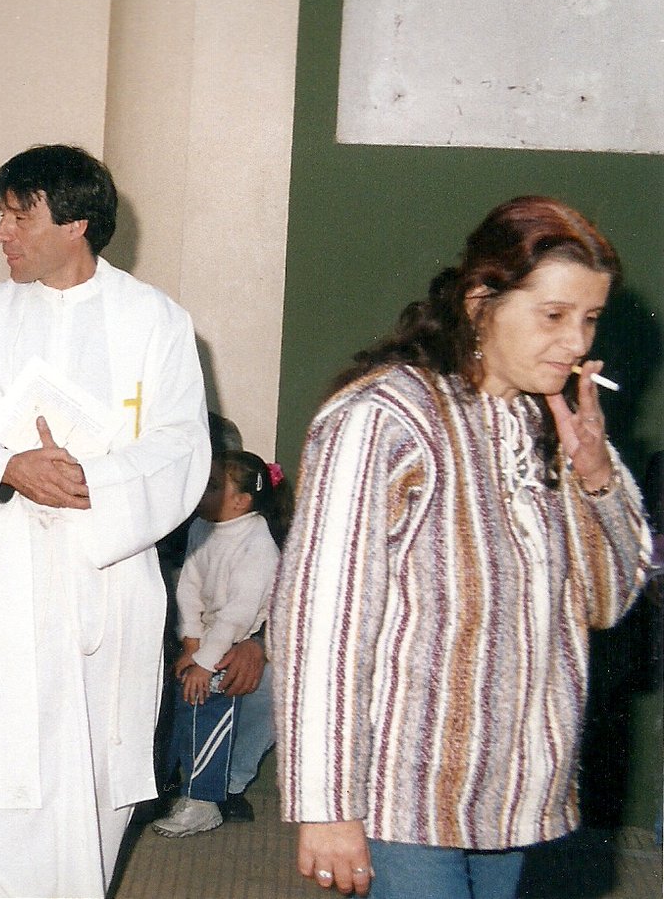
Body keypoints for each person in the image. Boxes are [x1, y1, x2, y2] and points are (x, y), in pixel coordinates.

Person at [272, 195, 651, 898]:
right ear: (482, 302)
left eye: (590, 319)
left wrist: (596, 476)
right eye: (554, 315)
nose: (577, 344)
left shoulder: (553, 422)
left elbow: (607, 602)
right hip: (402, 796)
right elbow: (321, 623)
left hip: (514, 795)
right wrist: (326, 808)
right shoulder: (381, 418)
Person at [0, 144, 210, 898]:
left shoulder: (155, 322)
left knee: (91, 782)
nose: (1, 233)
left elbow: (181, 449)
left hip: (101, 583)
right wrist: (12, 469)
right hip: (6, 576)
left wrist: (83, 479)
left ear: (75, 222)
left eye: (20, 215)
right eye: (2, 215)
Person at [152, 449, 283, 838]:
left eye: (211, 486)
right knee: (180, 702)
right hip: (207, 639)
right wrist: (191, 643)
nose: (200, 492)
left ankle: (205, 799)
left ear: (241, 501)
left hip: (237, 639)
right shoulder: (201, 527)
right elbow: (189, 585)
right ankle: (167, 785)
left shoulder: (257, 545)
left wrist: (206, 662)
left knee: (205, 698)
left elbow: (239, 614)